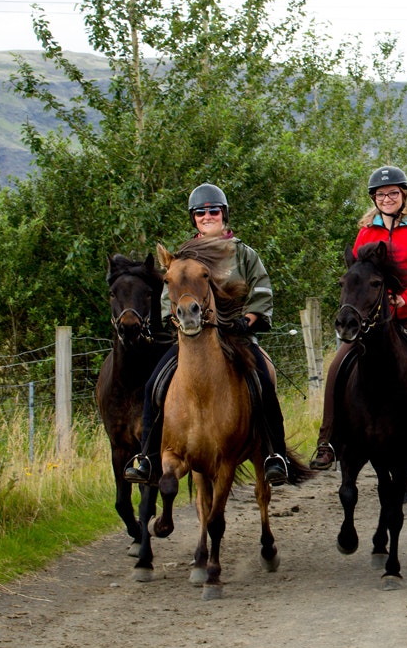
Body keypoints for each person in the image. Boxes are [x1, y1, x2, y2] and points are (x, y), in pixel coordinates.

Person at [124, 183, 290, 487]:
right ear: (194, 218)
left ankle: (274, 455)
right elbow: (168, 298)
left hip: (237, 337)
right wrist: (176, 321)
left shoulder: (243, 253)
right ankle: (147, 457)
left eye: (213, 210)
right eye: (201, 212)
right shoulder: (183, 256)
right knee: (152, 386)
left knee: (264, 383)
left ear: (223, 214)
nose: (207, 215)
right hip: (191, 340)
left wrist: (247, 320)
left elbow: (262, 290)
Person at [309, 166, 407, 473]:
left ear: (403, 195)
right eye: (380, 194)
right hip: (375, 319)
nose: (386, 198)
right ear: (374, 198)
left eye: (392, 193)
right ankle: (327, 441)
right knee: (336, 367)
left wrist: (404, 298)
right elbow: (358, 275)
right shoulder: (367, 231)